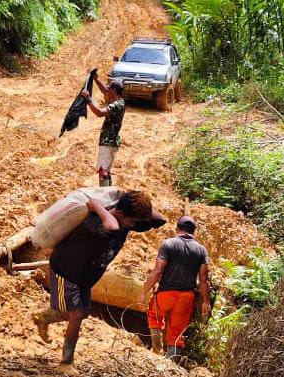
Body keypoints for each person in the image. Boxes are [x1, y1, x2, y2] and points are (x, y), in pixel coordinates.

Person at [32, 191, 167, 373]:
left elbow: (160, 219)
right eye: (132, 222)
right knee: (77, 314)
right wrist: (97, 206)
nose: (134, 226)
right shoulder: (94, 221)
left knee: (80, 313)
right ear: (120, 213)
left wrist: (129, 198)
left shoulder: (125, 220)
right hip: (66, 270)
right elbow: (111, 226)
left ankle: (44, 317)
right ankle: (66, 363)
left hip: (84, 276)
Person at [139, 216, 211, 363]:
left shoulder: (168, 244)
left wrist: (143, 292)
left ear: (177, 229)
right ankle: (171, 364)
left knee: (154, 317)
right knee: (177, 332)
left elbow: (158, 271)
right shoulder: (201, 250)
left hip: (166, 293)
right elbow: (204, 279)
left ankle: (156, 349)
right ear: (194, 232)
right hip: (186, 297)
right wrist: (205, 301)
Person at [80, 77, 125, 187]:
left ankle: (104, 193)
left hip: (108, 142)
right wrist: (96, 79)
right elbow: (104, 90)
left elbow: (99, 113)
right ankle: (107, 191)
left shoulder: (117, 105)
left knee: (103, 171)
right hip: (111, 142)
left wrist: (88, 100)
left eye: (109, 88)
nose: (107, 90)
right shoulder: (118, 101)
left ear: (114, 90)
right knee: (106, 171)